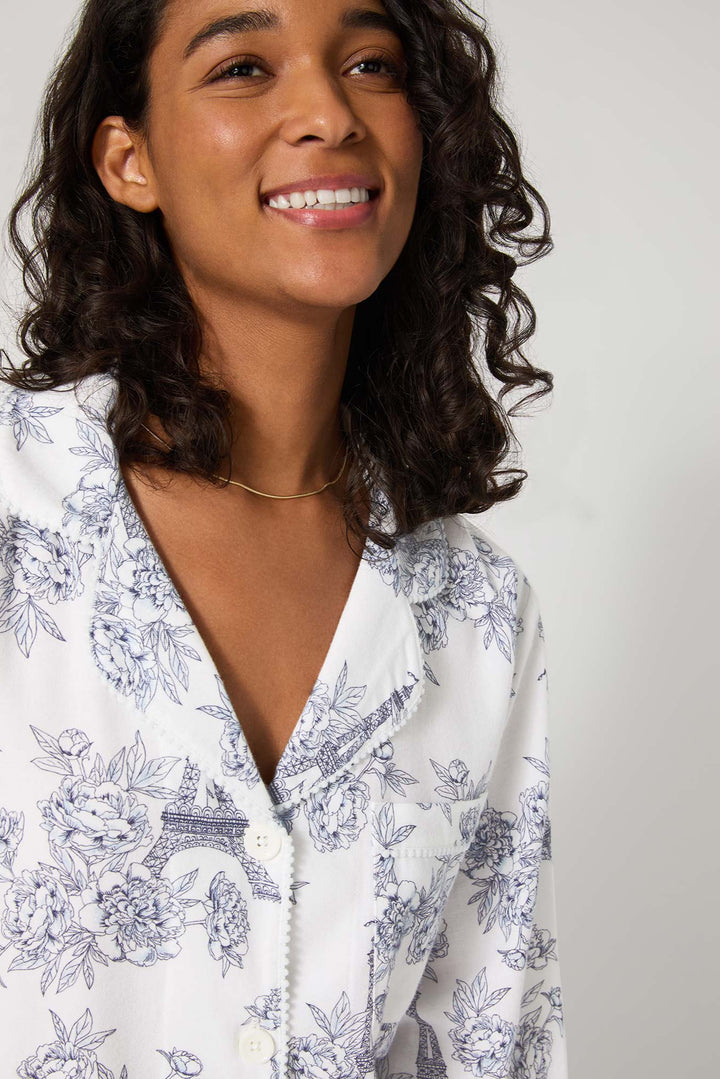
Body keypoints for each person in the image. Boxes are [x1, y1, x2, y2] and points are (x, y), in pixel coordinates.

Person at [0, 0, 568, 1076]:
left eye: (369, 62)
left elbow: (493, 1037)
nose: (326, 111)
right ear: (130, 161)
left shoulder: (479, 617)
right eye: (243, 67)